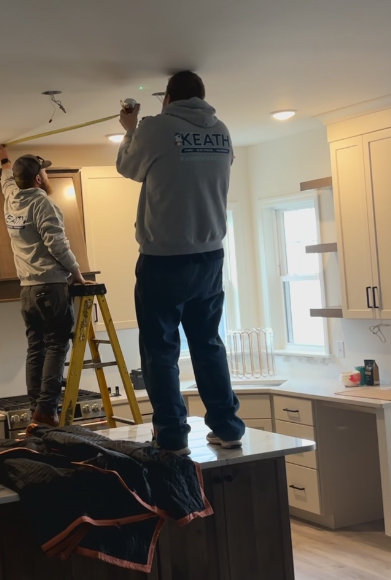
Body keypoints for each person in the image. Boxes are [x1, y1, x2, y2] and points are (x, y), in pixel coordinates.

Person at [115, 71, 245, 454]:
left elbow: (128, 167)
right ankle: (228, 427)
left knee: (161, 349)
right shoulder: (222, 130)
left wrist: (129, 128)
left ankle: (172, 436)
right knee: (207, 343)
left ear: (167, 98)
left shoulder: (156, 127)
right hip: (210, 256)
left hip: (164, 258)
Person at [0, 147, 91, 427]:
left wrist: (4, 160)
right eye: (45, 171)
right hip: (50, 286)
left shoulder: (11, 197)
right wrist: (77, 273)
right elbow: (57, 244)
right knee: (55, 346)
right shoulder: (43, 203)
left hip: (26, 290)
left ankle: (35, 407)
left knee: (35, 348)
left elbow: (5, 179)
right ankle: (47, 411)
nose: (47, 175)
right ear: (38, 179)